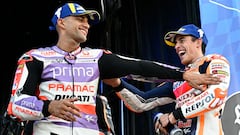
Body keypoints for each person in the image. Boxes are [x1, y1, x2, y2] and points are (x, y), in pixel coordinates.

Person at [6, 2, 221, 135]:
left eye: (88, 20)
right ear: (61, 23)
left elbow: (139, 66)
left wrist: (182, 75)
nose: (86, 24)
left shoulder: (95, 57)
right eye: (79, 18)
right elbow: (15, 106)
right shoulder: (35, 57)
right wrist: (48, 107)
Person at [110, 24, 230, 135]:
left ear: (198, 43)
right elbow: (141, 102)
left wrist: (174, 115)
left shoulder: (214, 62)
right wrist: (116, 82)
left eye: (182, 40)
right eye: (176, 43)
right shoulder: (178, 81)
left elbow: (217, 95)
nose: (177, 46)